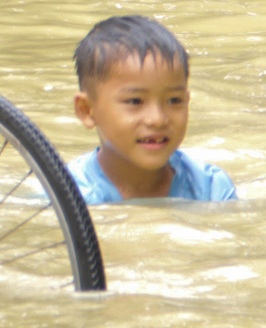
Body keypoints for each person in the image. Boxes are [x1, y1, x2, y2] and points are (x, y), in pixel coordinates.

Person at [67, 16, 235, 206]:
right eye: (135, 101)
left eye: (174, 100)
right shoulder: (70, 196)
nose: (158, 119)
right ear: (87, 110)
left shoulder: (211, 189)